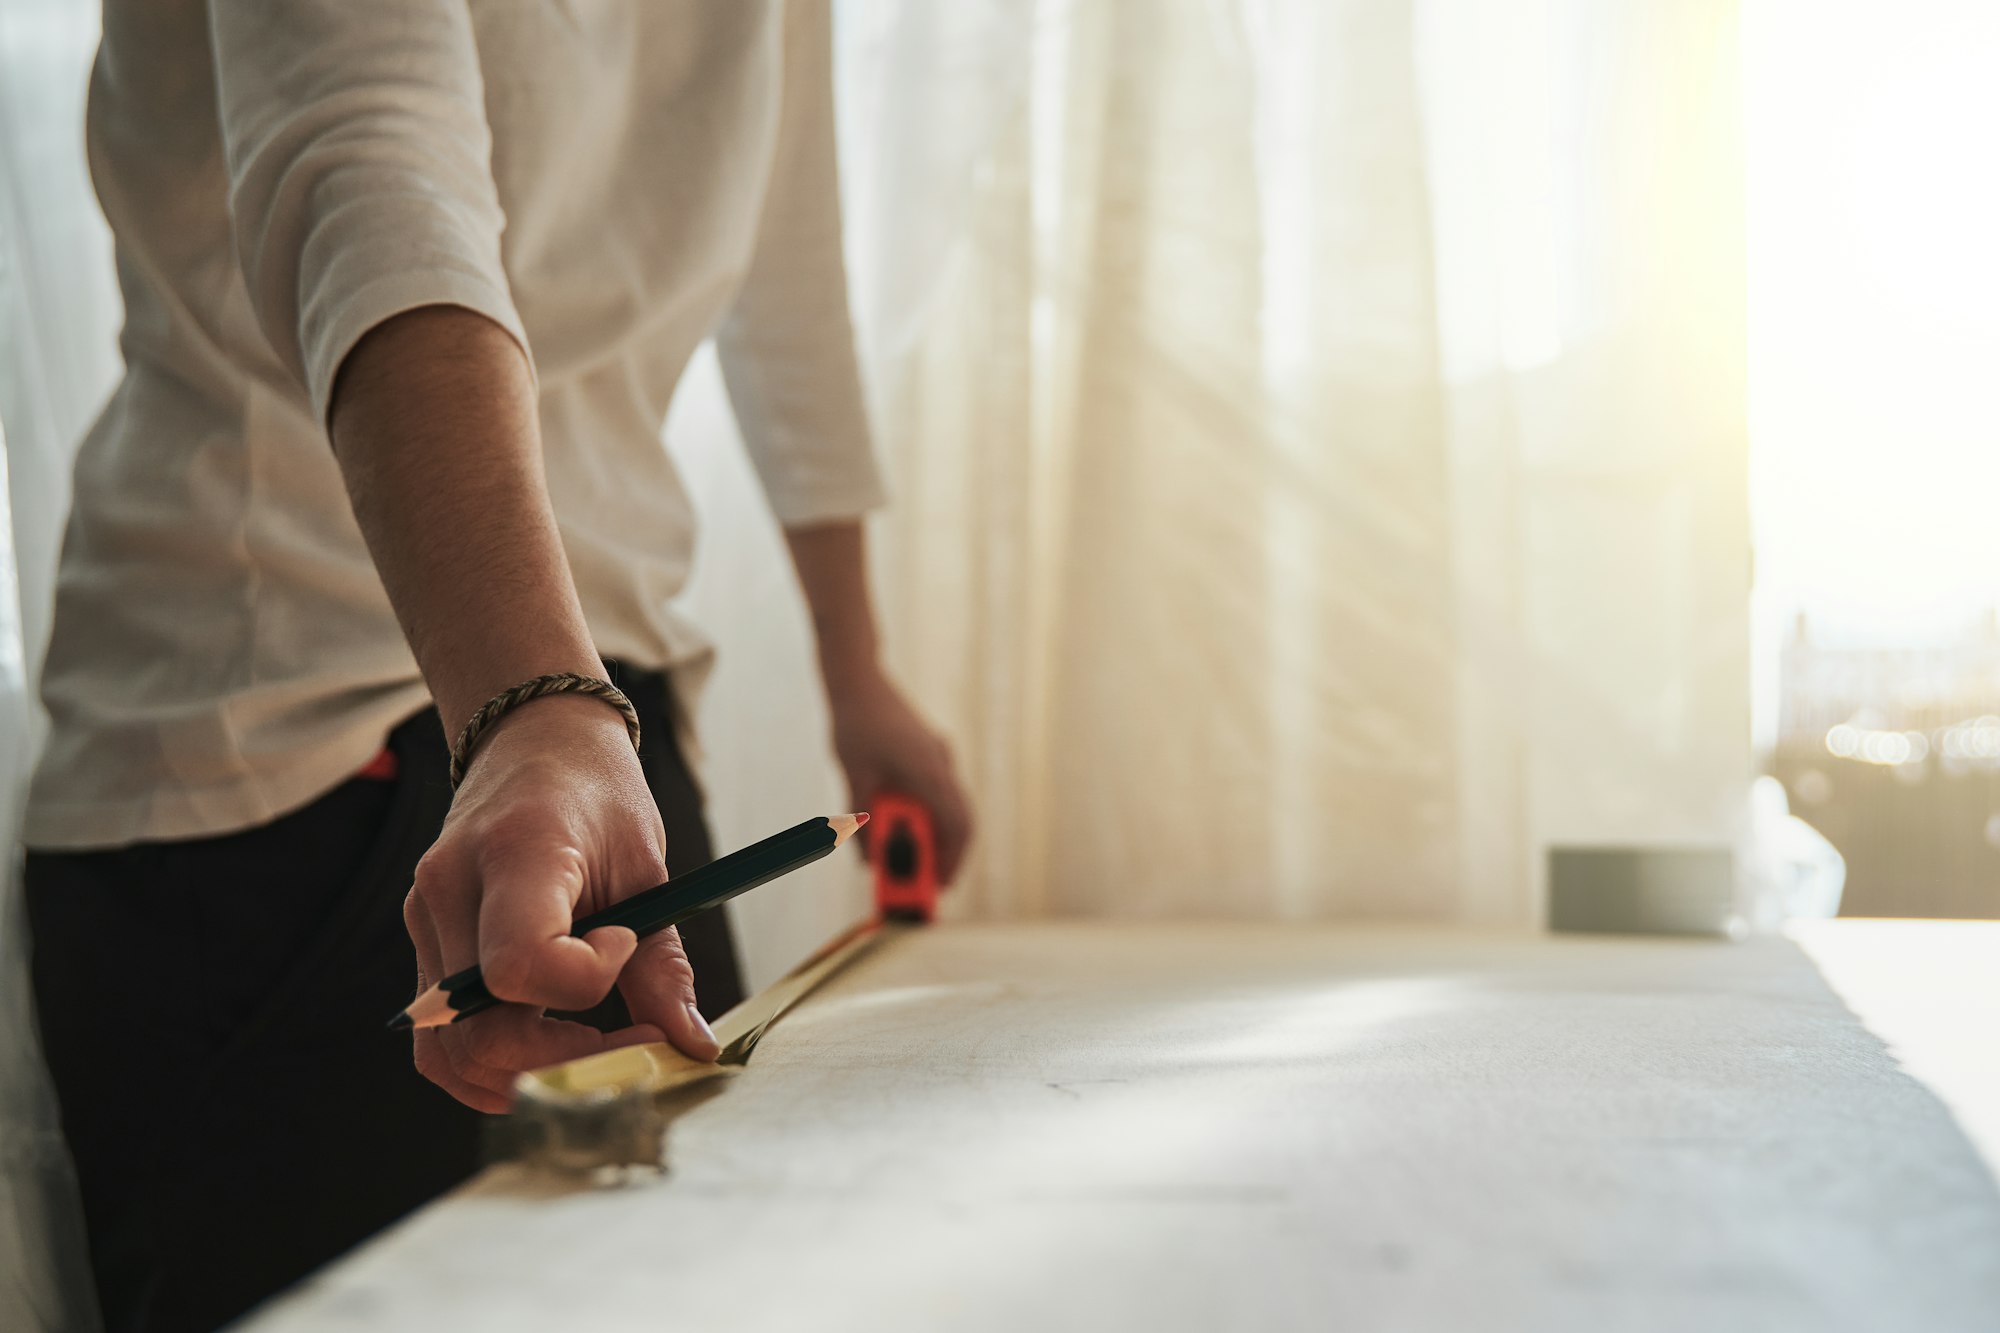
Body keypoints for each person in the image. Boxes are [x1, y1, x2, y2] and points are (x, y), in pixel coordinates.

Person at [21, 3, 973, 1331]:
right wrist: (533, 703)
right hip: (277, 736)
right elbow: (367, 164)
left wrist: (856, 672)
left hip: (595, 714)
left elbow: (788, 269)